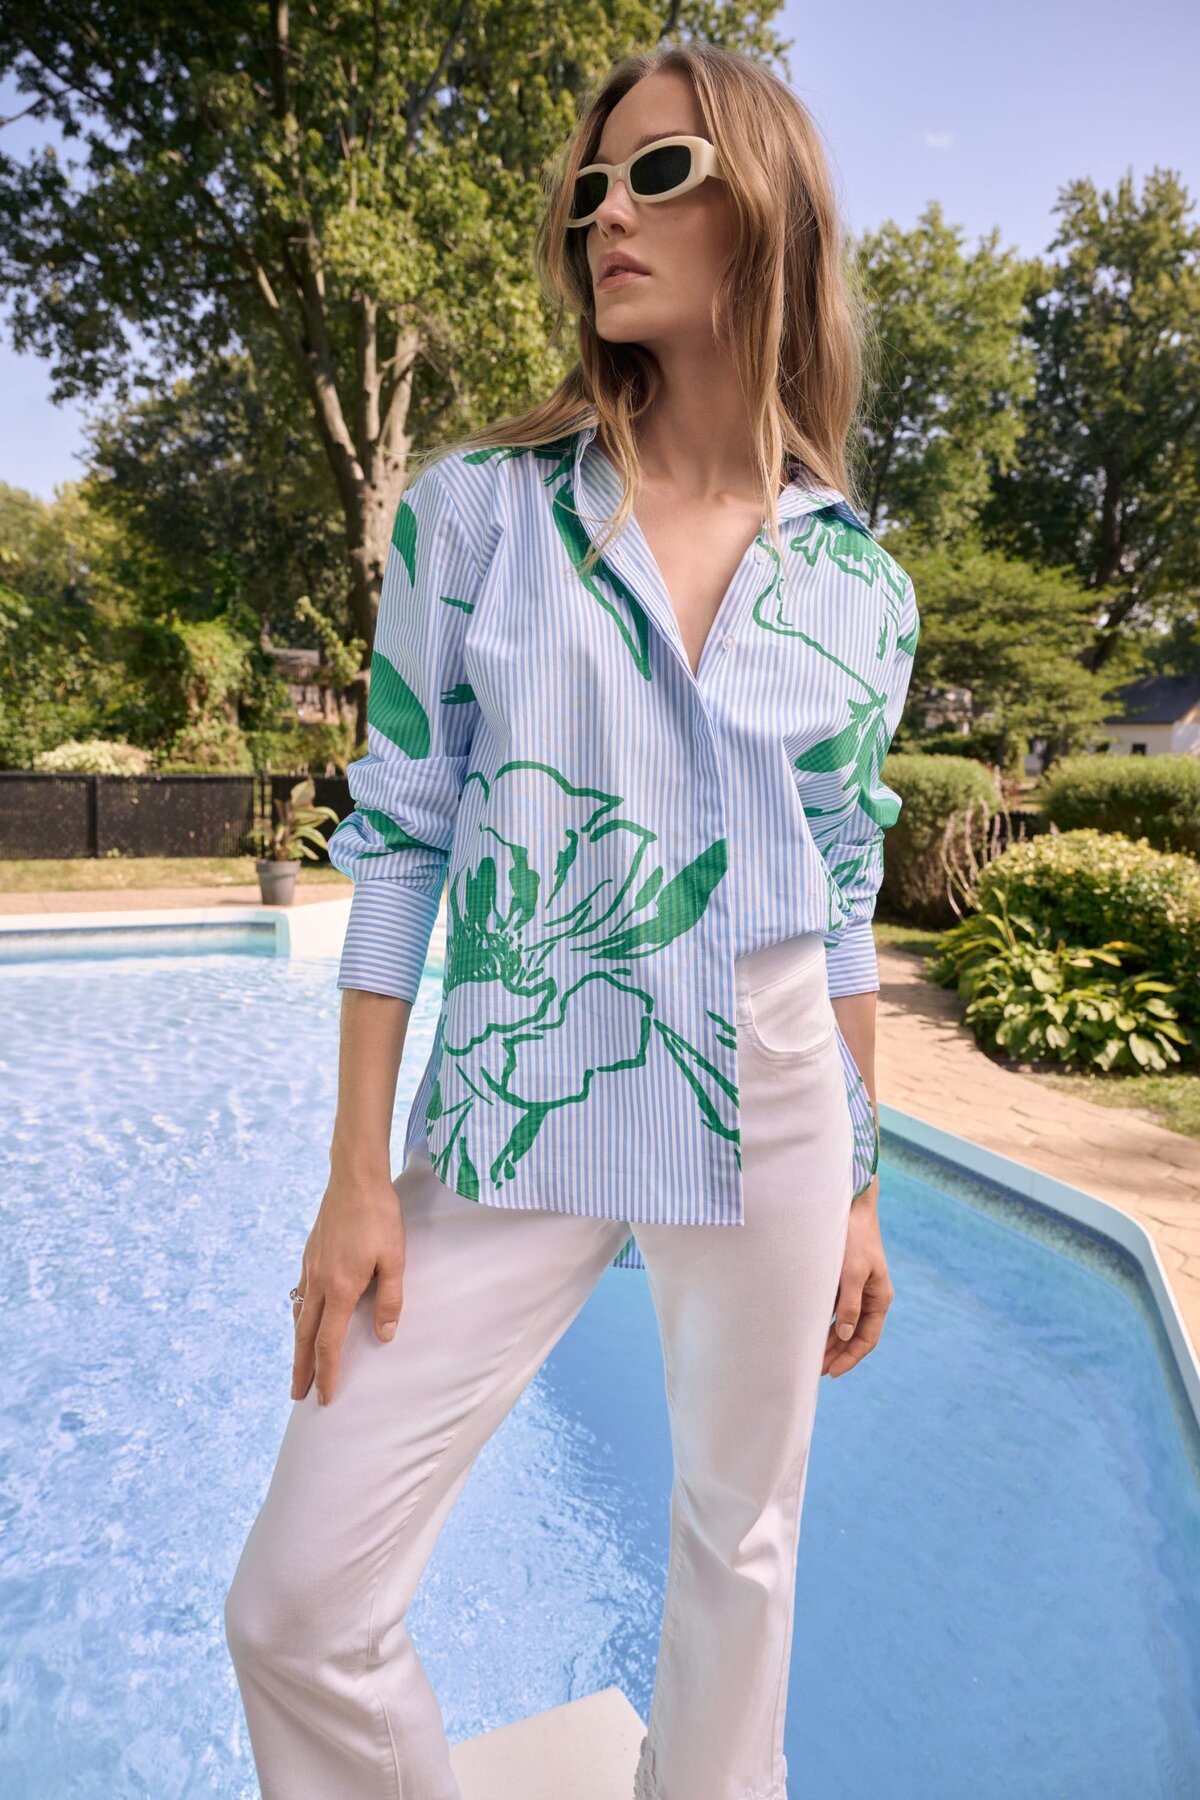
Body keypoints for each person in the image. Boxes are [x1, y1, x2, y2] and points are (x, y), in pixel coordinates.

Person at [224, 38, 919, 1800]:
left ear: (768, 209)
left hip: (773, 1088)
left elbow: (839, 893)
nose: (606, 208)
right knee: (297, 1603)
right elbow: (402, 833)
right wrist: (356, 1170)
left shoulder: (862, 584)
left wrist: (859, 1180)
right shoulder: (473, 514)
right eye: (593, 185)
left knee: (741, 1558)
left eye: (659, 172)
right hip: (527, 1075)